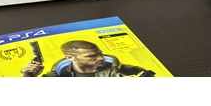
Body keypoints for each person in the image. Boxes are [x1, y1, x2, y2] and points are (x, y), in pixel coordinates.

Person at [20, 39, 154, 77]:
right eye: (91, 56)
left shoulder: (121, 70)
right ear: (70, 57)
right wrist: (28, 76)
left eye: (100, 53)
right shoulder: (57, 76)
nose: (100, 58)